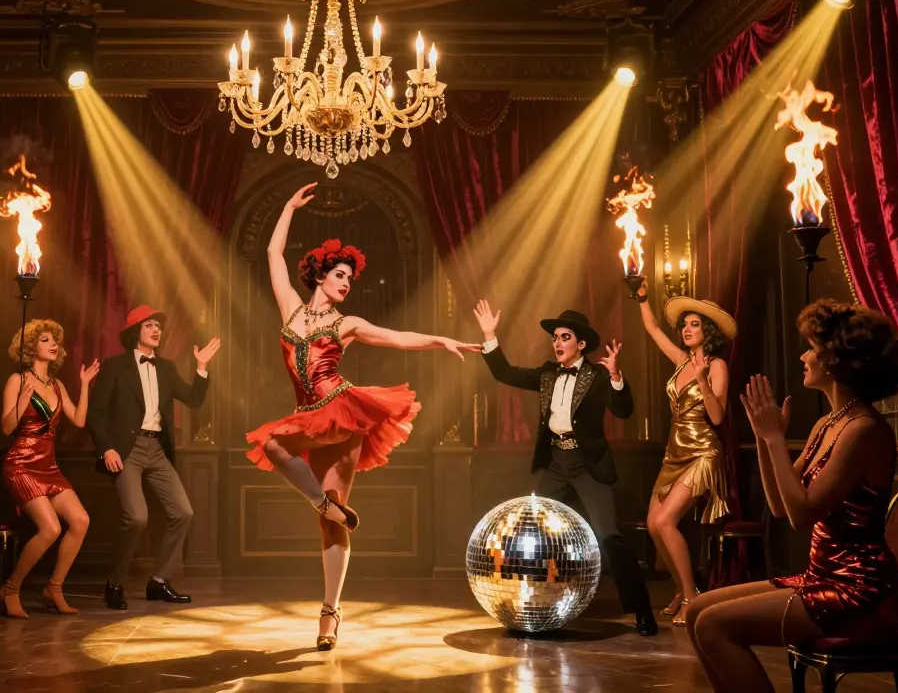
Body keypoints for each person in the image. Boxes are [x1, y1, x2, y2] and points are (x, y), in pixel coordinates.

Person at [247, 183, 481, 651]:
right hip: (305, 416)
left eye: (349, 280)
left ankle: (330, 614)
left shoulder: (346, 323)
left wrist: (441, 341)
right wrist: (288, 207)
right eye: (338, 275)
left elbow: (396, 336)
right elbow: (273, 252)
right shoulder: (291, 311)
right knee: (275, 449)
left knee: (331, 525)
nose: (345, 283)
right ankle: (323, 502)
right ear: (319, 276)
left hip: (343, 411)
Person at [686, 300, 898, 693]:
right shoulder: (830, 422)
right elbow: (779, 505)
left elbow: (802, 515)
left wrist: (774, 439)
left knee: (713, 625)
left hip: (858, 591)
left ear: (836, 360)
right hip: (822, 577)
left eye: (811, 347)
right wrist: (761, 433)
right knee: (697, 611)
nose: (804, 356)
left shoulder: (864, 431)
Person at [473, 298, 658, 636]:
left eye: (565, 337)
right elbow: (506, 373)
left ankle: (642, 610)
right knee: (533, 532)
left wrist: (616, 376)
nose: (557, 343)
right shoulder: (547, 374)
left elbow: (624, 409)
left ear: (581, 343)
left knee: (608, 536)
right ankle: (534, 607)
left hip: (588, 465)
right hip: (556, 462)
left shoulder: (598, 376)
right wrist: (490, 336)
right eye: (555, 337)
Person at [86, 306, 221, 611]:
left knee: (183, 512)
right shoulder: (115, 367)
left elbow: (194, 399)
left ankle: (160, 581)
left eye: (158, 325)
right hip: (127, 451)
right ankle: (115, 583)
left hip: (157, 449)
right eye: (150, 325)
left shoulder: (167, 368)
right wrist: (106, 448)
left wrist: (201, 368)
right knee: (136, 517)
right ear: (136, 332)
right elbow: (96, 413)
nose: (156, 330)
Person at [635, 282, 736, 625]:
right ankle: (680, 587)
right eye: (684, 324)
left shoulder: (717, 365)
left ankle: (692, 596)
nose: (686, 329)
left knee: (666, 521)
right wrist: (643, 297)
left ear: (706, 330)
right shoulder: (680, 361)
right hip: (674, 451)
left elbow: (718, 416)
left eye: (694, 324)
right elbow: (651, 328)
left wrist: (705, 381)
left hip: (702, 452)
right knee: (652, 524)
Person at [0, 319, 99, 618]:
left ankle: (53, 589)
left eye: (55, 340)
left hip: (49, 466)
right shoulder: (18, 380)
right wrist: (24, 400)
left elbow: (79, 421)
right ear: (30, 347)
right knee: (51, 528)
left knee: (80, 520)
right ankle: (10, 589)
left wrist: (84, 385)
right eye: (45, 340)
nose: (54, 344)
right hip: (21, 465)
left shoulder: (57, 384)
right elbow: (6, 428)